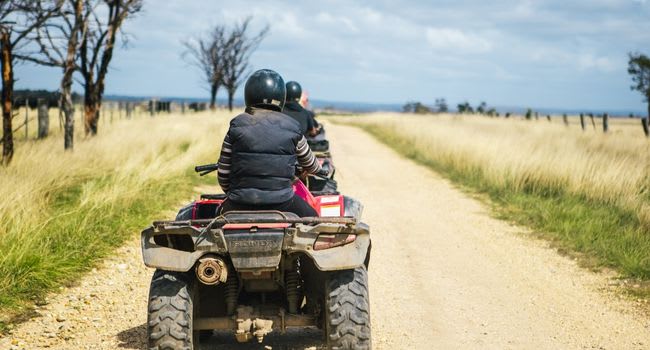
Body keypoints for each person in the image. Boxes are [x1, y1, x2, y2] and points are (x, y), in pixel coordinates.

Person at [216, 69, 325, 217]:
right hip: (283, 203)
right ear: (280, 96)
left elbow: (223, 174)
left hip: (238, 203)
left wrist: (236, 195)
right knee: (314, 217)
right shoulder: (293, 126)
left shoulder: (236, 124)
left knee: (215, 216)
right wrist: (319, 169)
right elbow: (311, 165)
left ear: (248, 95)